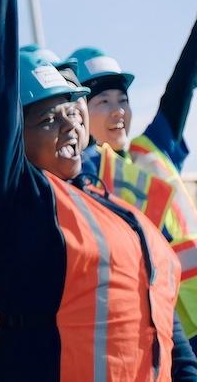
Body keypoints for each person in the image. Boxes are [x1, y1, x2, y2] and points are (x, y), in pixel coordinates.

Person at [0, 0, 197, 381]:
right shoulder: (16, 203)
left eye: (73, 111)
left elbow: (165, 322)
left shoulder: (118, 211)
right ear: (16, 136)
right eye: (48, 119)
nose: (69, 125)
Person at [70, 22, 197, 340]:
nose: (118, 112)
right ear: (78, 111)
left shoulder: (152, 148)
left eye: (122, 99)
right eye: (103, 102)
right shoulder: (77, 178)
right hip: (157, 327)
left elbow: (184, 79)